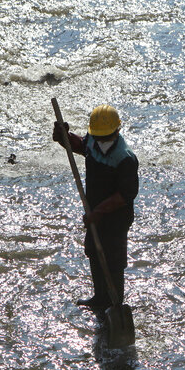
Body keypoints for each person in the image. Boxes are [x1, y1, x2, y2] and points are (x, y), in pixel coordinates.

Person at [54, 105, 139, 308]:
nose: (100, 140)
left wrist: (99, 212)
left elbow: (125, 195)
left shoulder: (125, 158)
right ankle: (99, 298)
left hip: (116, 217)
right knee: (93, 251)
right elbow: (82, 146)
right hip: (94, 212)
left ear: (117, 131)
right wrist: (64, 137)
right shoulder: (94, 139)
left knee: (113, 259)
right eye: (97, 136)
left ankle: (116, 302)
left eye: (105, 137)